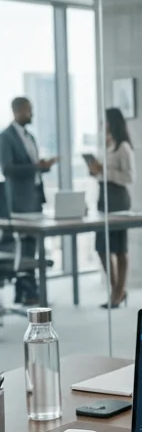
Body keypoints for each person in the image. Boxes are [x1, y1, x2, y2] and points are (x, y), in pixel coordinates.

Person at [0, 96, 58, 304]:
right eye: (28, 110)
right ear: (16, 111)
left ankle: (25, 292)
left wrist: (43, 166)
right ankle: (28, 291)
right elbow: (7, 168)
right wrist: (36, 167)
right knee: (23, 245)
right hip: (18, 201)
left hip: (34, 199)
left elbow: (31, 165)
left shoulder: (30, 136)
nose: (31, 113)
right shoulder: (6, 137)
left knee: (31, 245)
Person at [87, 107, 134, 308]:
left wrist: (105, 171)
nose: (102, 124)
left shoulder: (123, 147)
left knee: (120, 249)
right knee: (102, 247)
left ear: (112, 122)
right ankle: (117, 289)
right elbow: (103, 174)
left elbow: (130, 177)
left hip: (118, 198)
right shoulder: (106, 146)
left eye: (104, 121)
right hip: (103, 197)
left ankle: (118, 291)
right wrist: (95, 171)